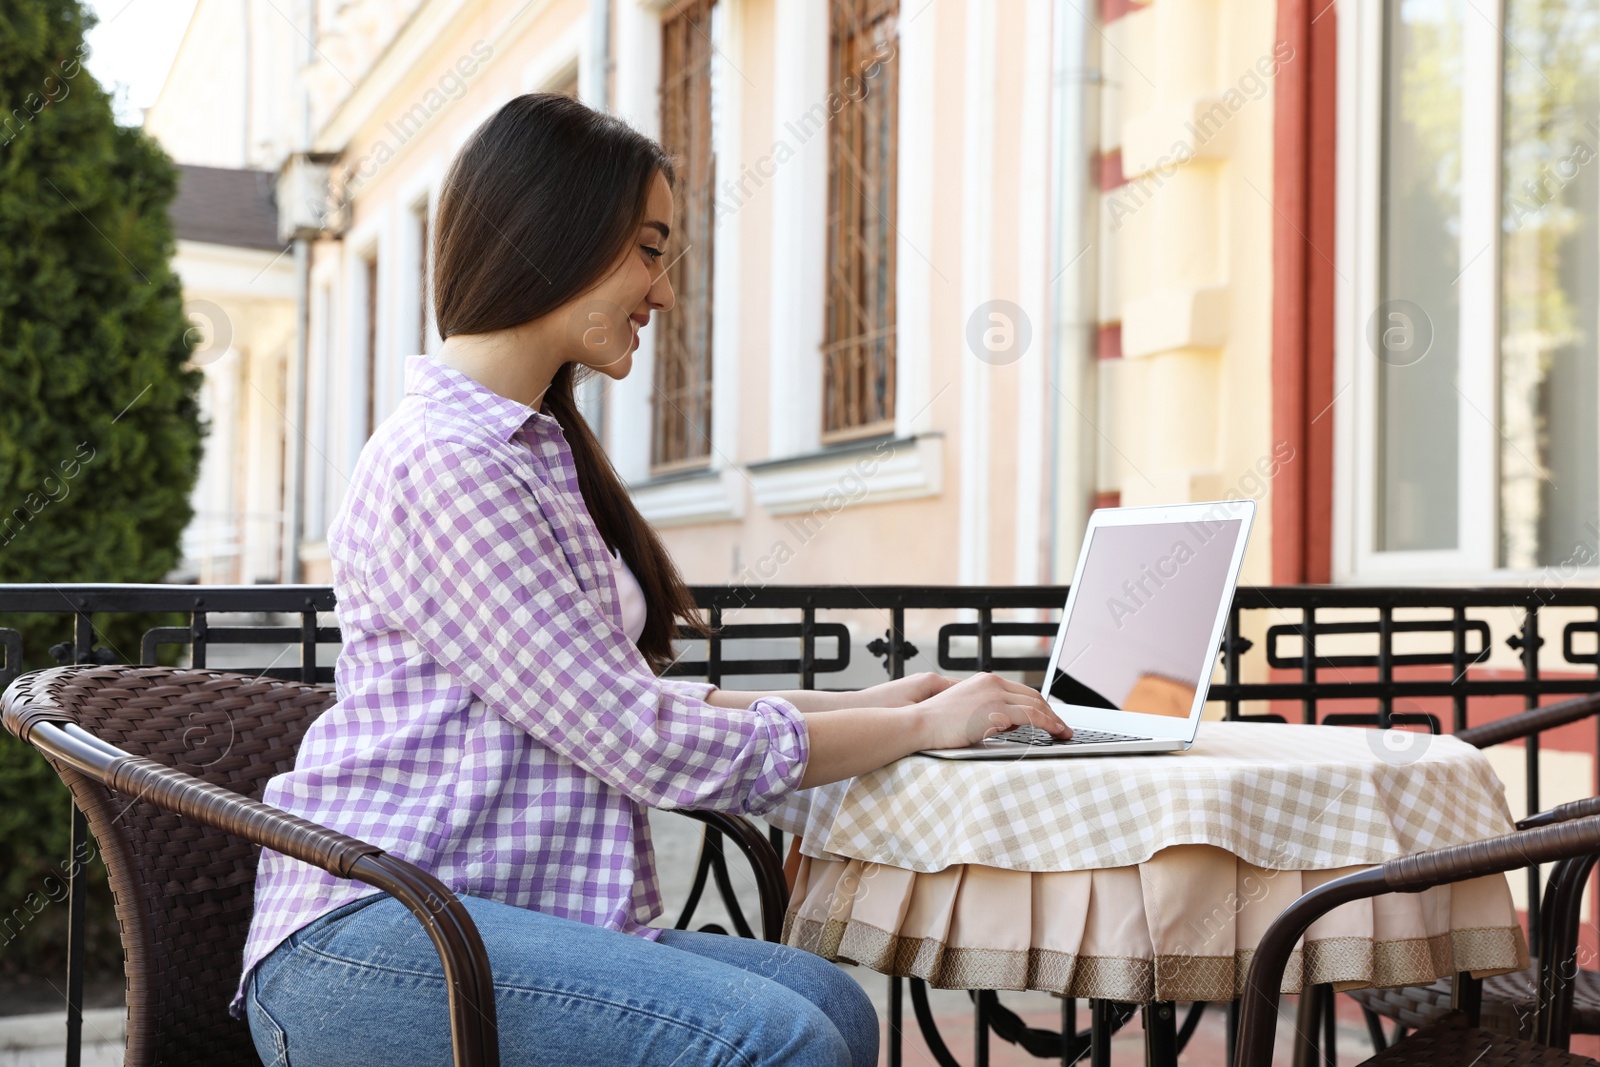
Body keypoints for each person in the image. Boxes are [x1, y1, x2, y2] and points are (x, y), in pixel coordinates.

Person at [233, 92, 1069, 1067]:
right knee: (780, 1034)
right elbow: (639, 740)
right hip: (370, 944)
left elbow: (622, 703)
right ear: (556, 234)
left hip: (475, 914)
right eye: (647, 248)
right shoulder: (449, 464)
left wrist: (876, 701)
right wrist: (920, 725)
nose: (662, 291)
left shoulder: (525, 453)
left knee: (828, 1002)